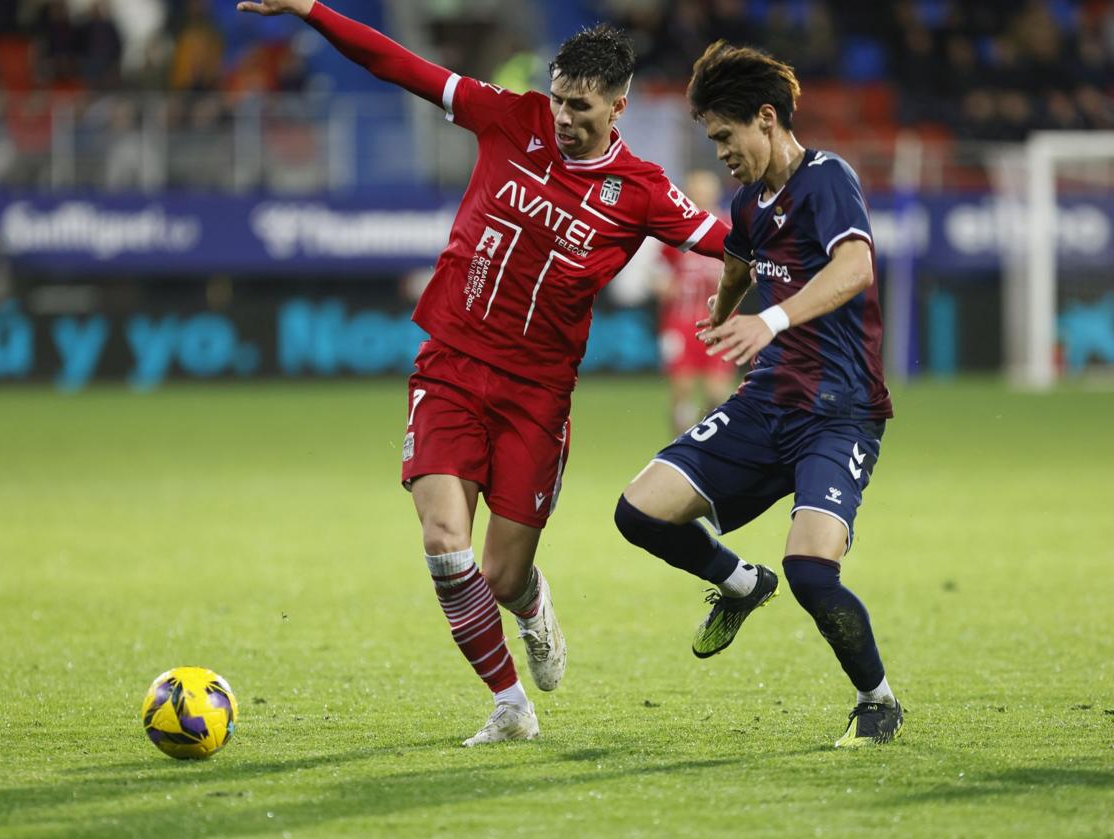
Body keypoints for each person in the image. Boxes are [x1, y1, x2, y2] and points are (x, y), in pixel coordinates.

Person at [237, 0, 731, 745]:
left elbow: (733, 245)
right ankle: (509, 706)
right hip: (451, 365)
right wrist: (311, 8)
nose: (563, 116)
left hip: (537, 397)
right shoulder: (510, 117)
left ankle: (533, 609)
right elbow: (398, 65)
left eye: (580, 106)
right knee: (444, 542)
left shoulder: (642, 190)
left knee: (503, 576)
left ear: (618, 105)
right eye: (559, 98)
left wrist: (792, 284)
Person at [613, 41, 903, 747]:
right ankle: (741, 583)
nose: (720, 153)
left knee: (812, 572)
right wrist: (721, 311)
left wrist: (769, 318)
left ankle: (877, 700)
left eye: (724, 136)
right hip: (766, 402)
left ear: (766, 118)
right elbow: (741, 262)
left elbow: (856, 266)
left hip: (838, 414)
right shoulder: (748, 203)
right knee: (639, 512)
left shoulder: (827, 177)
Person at [654, 169, 738, 435]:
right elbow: (659, 277)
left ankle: (707, 441)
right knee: (682, 390)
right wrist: (667, 287)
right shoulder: (676, 232)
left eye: (705, 192)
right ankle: (679, 448)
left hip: (720, 325)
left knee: (718, 394)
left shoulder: (732, 230)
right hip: (681, 322)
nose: (701, 198)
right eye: (696, 193)